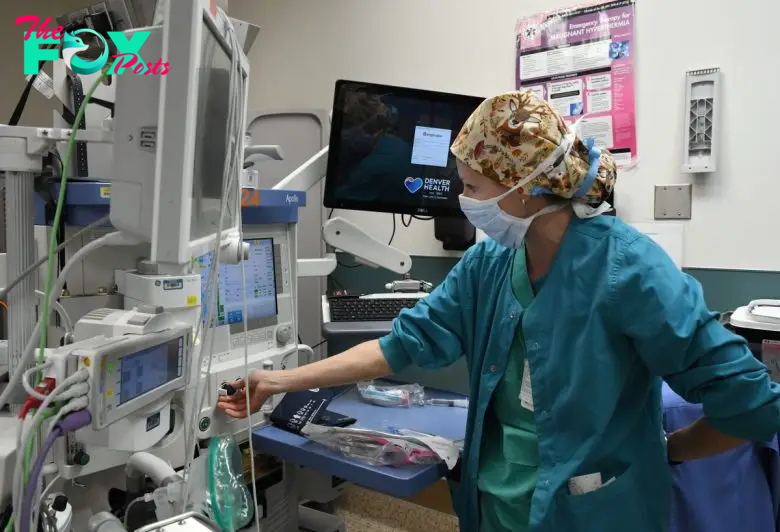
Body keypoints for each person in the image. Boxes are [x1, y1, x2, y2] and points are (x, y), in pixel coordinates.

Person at [218, 90, 780, 532]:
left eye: (472, 186)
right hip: (495, 502)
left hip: (597, 511)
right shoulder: (489, 263)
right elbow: (400, 344)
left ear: (526, 189)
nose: (463, 200)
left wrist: (668, 450)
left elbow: (752, 404)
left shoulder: (631, 271)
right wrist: (280, 378)